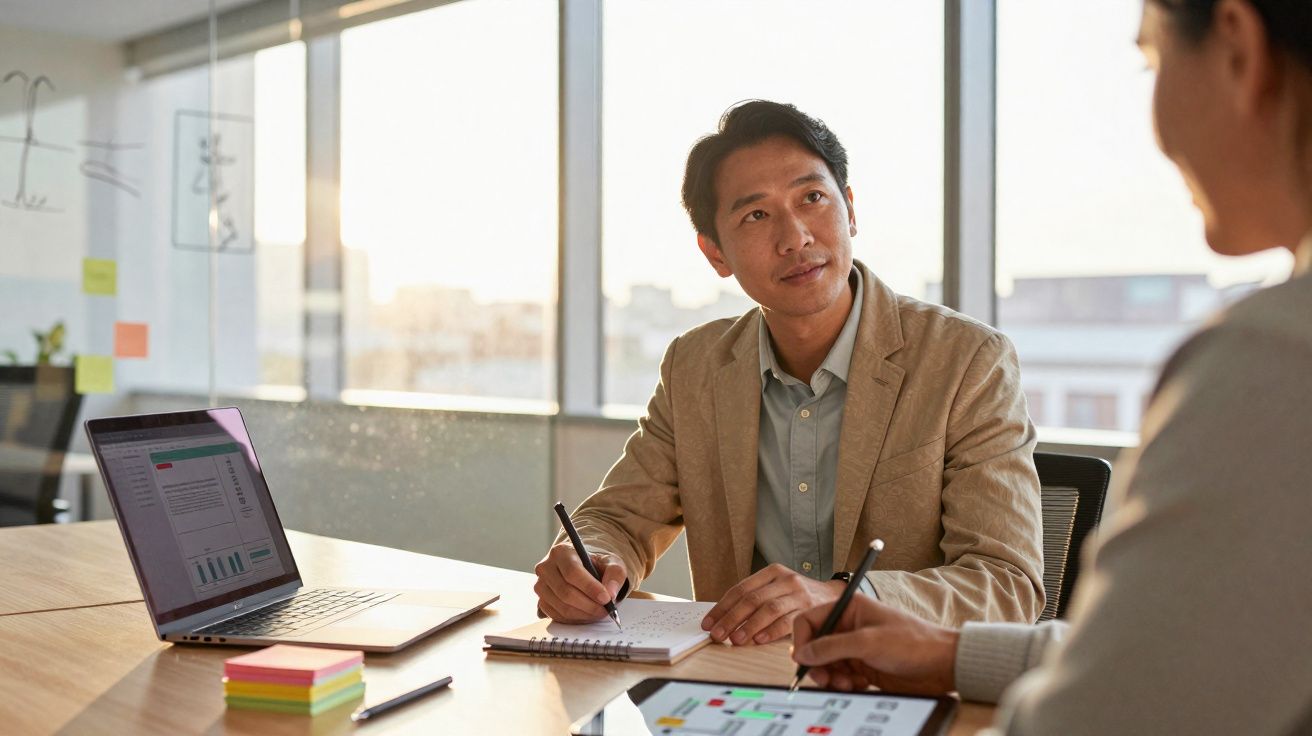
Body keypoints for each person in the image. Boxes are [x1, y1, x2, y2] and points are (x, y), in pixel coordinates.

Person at [791, 0, 1312, 732]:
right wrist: (945, 651)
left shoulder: (1273, 361)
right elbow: (1167, 654)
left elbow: (1102, 715)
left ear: (1237, 47)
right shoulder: (698, 361)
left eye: (1151, 61)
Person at [534, 100, 1046, 646]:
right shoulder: (696, 366)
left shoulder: (966, 360)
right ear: (715, 252)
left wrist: (843, 599)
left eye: (813, 198)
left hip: (893, 685)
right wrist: (588, 560)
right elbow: (618, 518)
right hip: (739, 685)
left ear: (849, 209)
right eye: (756, 215)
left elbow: (1005, 585)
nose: (795, 236)